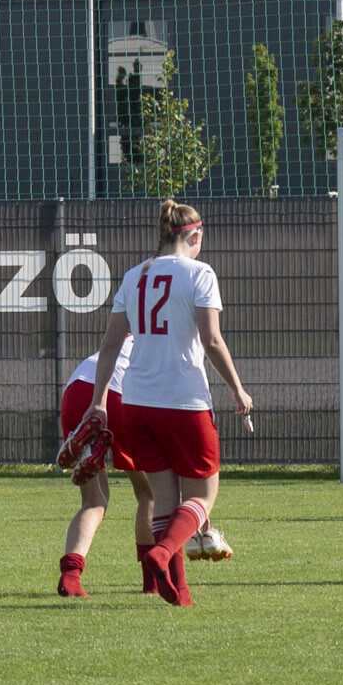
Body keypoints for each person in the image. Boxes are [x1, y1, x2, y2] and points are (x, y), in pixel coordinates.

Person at [80, 198, 254, 608]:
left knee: (164, 499)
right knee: (203, 497)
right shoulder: (200, 273)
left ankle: (179, 593)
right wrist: (237, 388)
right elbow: (212, 340)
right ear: (194, 235)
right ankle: (161, 554)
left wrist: (99, 400)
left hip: (136, 402)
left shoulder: (133, 275)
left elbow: (110, 344)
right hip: (183, 399)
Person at [53, 334, 145, 596]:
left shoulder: (133, 325)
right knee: (149, 493)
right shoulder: (178, 337)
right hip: (119, 392)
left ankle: (71, 576)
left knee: (94, 501)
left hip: (78, 387)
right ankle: (153, 581)